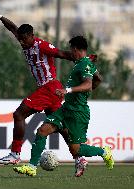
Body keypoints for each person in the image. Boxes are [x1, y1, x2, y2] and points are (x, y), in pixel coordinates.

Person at [0, 7, 96, 165]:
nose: (22, 42)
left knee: (19, 115)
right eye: (20, 39)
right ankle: (79, 157)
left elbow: (62, 54)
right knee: (62, 127)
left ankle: (15, 154)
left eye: (25, 39)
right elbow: (12, 27)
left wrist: (84, 59)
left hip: (50, 87)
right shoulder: (23, 39)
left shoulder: (42, 45)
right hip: (50, 90)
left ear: (32, 36)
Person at [13, 36, 114, 177]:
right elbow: (98, 78)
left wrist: (69, 91)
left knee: (76, 150)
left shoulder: (84, 64)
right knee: (42, 131)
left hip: (78, 112)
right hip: (66, 108)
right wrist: (85, 91)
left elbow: (88, 84)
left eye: (71, 49)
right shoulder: (84, 63)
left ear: (76, 49)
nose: (70, 53)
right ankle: (31, 166)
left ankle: (104, 152)